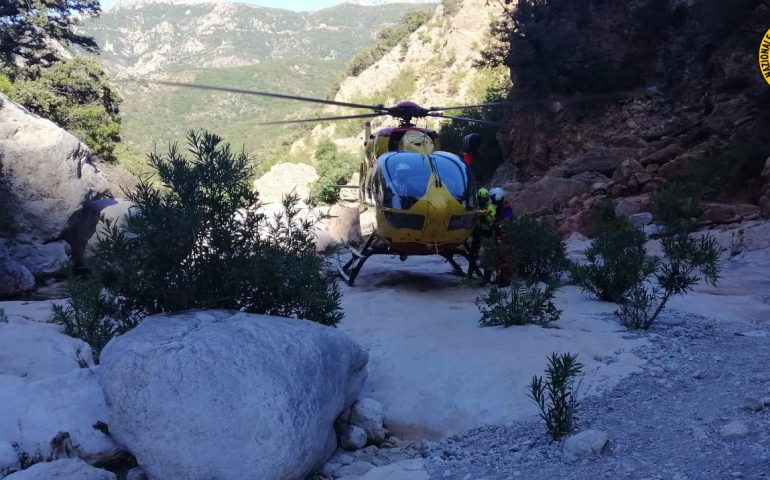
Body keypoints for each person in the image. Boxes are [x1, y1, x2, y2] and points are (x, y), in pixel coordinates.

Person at [488, 187, 514, 286]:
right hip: (500, 234)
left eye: (493, 198)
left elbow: (507, 221)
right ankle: (500, 278)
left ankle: (506, 280)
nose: (492, 200)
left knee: (504, 257)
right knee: (498, 257)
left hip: (504, 235)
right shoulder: (499, 206)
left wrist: (496, 224)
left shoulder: (505, 207)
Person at [468, 188, 495, 279]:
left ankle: (487, 277)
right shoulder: (475, 207)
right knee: (473, 255)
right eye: (481, 199)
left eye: (484, 199)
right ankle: (470, 274)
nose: (482, 201)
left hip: (486, 234)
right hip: (477, 234)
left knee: (487, 255)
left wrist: (486, 215)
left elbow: (492, 221)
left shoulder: (490, 208)